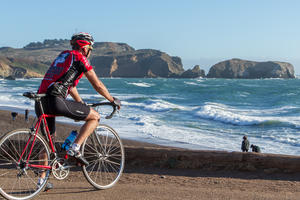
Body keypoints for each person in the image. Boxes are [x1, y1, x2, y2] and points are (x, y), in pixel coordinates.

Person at [35, 32, 121, 191]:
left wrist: (79, 103)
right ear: (85, 46)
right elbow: (98, 85)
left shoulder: (64, 55)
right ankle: (75, 148)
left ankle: (41, 182)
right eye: (90, 47)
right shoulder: (80, 58)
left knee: (47, 143)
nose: (91, 51)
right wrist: (111, 100)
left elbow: (70, 85)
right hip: (55, 101)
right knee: (95, 117)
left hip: (40, 101)